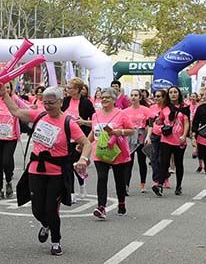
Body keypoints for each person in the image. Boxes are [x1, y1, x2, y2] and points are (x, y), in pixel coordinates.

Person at [1, 86, 91, 256]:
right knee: (37, 209)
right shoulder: (40, 115)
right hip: (36, 169)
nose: (48, 106)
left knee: (51, 209)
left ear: (60, 102)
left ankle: (56, 241)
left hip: (56, 172)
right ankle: (46, 224)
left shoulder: (68, 123)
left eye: (51, 103)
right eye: (45, 102)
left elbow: (86, 143)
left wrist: (82, 159)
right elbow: (16, 112)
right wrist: (4, 94)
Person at [89, 89, 132, 219]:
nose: (104, 100)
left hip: (117, 153)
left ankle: (121, 203)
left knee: (119, 180)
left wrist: (120, 132)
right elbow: (94, 132)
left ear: (114, 100)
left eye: (107, 97)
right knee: (102, 178)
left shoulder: (121, 114)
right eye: (102, 97)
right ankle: (101, 207)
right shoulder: (95, 115)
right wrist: (84, 143)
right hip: (100, 152)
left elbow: (131, 130)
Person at [60, 78, 95, 200]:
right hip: (65, 137)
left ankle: (81, 185)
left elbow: (95, 122)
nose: (67, 90)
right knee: (67, 165)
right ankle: (71, 192)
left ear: (77, 90)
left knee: (76, 165)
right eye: (67, 87)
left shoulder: (86, 103)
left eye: (69, 88)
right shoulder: (65, 101)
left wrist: (83, 122)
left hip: (80, 139)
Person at [151, 89, 190, 196]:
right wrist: (158, 121)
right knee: (164, 163)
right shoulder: (165, 108)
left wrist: (184, 135)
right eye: (171, 93)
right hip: (166, 139)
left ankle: (178, 186)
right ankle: (159, 184)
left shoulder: (184, 107)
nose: (173, 94)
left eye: (175, 92)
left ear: (179, 94)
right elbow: (161, 120)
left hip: (179, 140)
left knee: (178, 163)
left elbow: (186, 123)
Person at [121, 89, 151, 193]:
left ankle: (143, 184)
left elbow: (150, 124)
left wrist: (149, 136)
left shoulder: (146, 110)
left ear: (140, 97)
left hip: (141, 136)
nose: (133, 97)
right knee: (128, 162)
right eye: (132, 95)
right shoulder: (125, 111)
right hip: (129, 137)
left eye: (136, 95)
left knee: (142, 162)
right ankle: (126, 185)